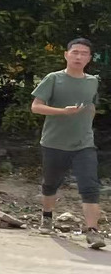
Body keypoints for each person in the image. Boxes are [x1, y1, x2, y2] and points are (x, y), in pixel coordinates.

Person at [30, 38, 105, 249]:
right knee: (50, 184)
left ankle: (93, 232)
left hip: (84, 144)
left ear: (89, 58)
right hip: (54, 142)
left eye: (84, 53)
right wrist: (63, 112)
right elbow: (36, 107)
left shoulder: (92, 81)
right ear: (66, 55)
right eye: (75, 52)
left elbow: (91, 105)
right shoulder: (53, 79)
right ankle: (47, 217)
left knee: (90, 186)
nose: (79, 56)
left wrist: (86, 123)